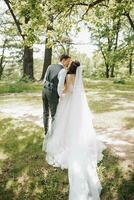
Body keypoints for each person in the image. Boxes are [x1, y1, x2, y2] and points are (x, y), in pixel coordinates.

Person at [43, 61, 105, 200]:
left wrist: (63, 93)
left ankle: (66, 142)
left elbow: (68, 90)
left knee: (64, 124)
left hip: (68, 103)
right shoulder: (77, 77)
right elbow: (76, 90)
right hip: (77, 106)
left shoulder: (69, 75)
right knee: (75, 124)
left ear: (71, 67)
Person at [42, 54, 71, 135]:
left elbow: (45, 79)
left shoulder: (50, 66)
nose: (68, 63)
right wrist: (60, 96)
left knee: (45, 112)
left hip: (44, 90)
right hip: (52, 92)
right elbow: (60, 86)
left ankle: (46, 132)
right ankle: (53, 135)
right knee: (54, 114)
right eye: (68, 61)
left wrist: (45, 88)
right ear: (63, 60)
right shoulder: (63, 71)